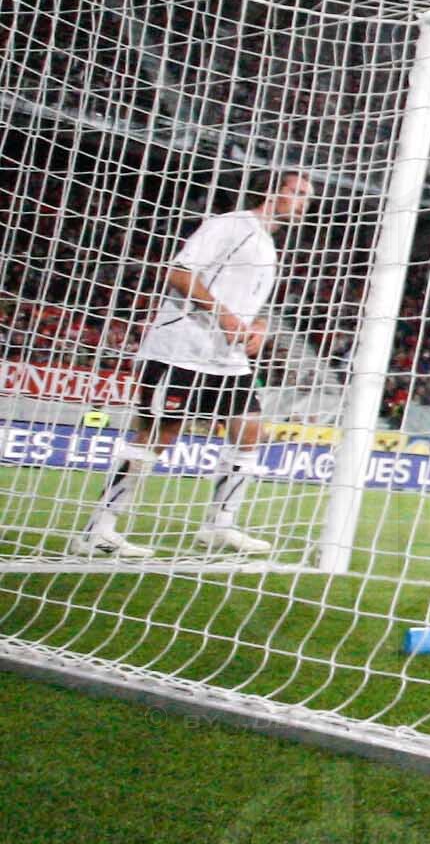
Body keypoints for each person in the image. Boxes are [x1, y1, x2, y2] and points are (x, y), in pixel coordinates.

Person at [81, 171, 314, 559]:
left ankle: (219, 525)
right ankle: (98, 529)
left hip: (227, 359)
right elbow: (179, 272)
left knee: (249, 430)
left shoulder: (267, 243)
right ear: (273, 192)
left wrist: (258, 326)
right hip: (182, 348)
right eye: (299, 193)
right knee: (157, 438)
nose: (305, 202)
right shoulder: (231, 225)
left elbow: (248, 300)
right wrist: (223, 316)